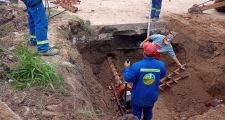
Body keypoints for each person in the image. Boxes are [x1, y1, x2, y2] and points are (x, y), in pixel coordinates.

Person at [123, 42, 166, 120]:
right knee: (148, 111)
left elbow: (127, 78)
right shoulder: (161, 65)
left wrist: (127, 68)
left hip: (138, 97)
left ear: (144, 53)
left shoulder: (137, 65)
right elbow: (161, 76)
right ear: (155, 53)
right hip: (152, 96)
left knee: (136, 114)